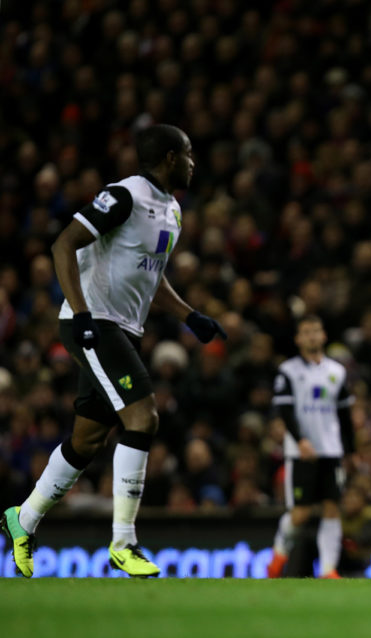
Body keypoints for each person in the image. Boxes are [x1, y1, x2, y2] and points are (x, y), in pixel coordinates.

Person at [1, 124, 225, 578]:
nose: (192, 163)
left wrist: (188, 315)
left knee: (87, 440)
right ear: (168, 157)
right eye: (187, 154)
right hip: (94, 322)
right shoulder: (123, 196)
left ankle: (21, 520)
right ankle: (124, 542)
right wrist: (82, 314)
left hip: (124, 327)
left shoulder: (172, 211)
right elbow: (64, 243)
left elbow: (150, 276)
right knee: (143, 416)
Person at [266, 315, 355, 579]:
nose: (312, 336)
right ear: (298, 339)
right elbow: (284, 410)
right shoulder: (289, 371)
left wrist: (350, 451)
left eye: (316, 330)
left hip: (331, 450)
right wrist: (300, 440)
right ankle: (279, 551)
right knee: (301, 513)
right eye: (306, 332)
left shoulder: (337, 371)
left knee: (331, 508)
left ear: (324, 335)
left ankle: (328, 569)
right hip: (301, 452)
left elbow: (344, 415)